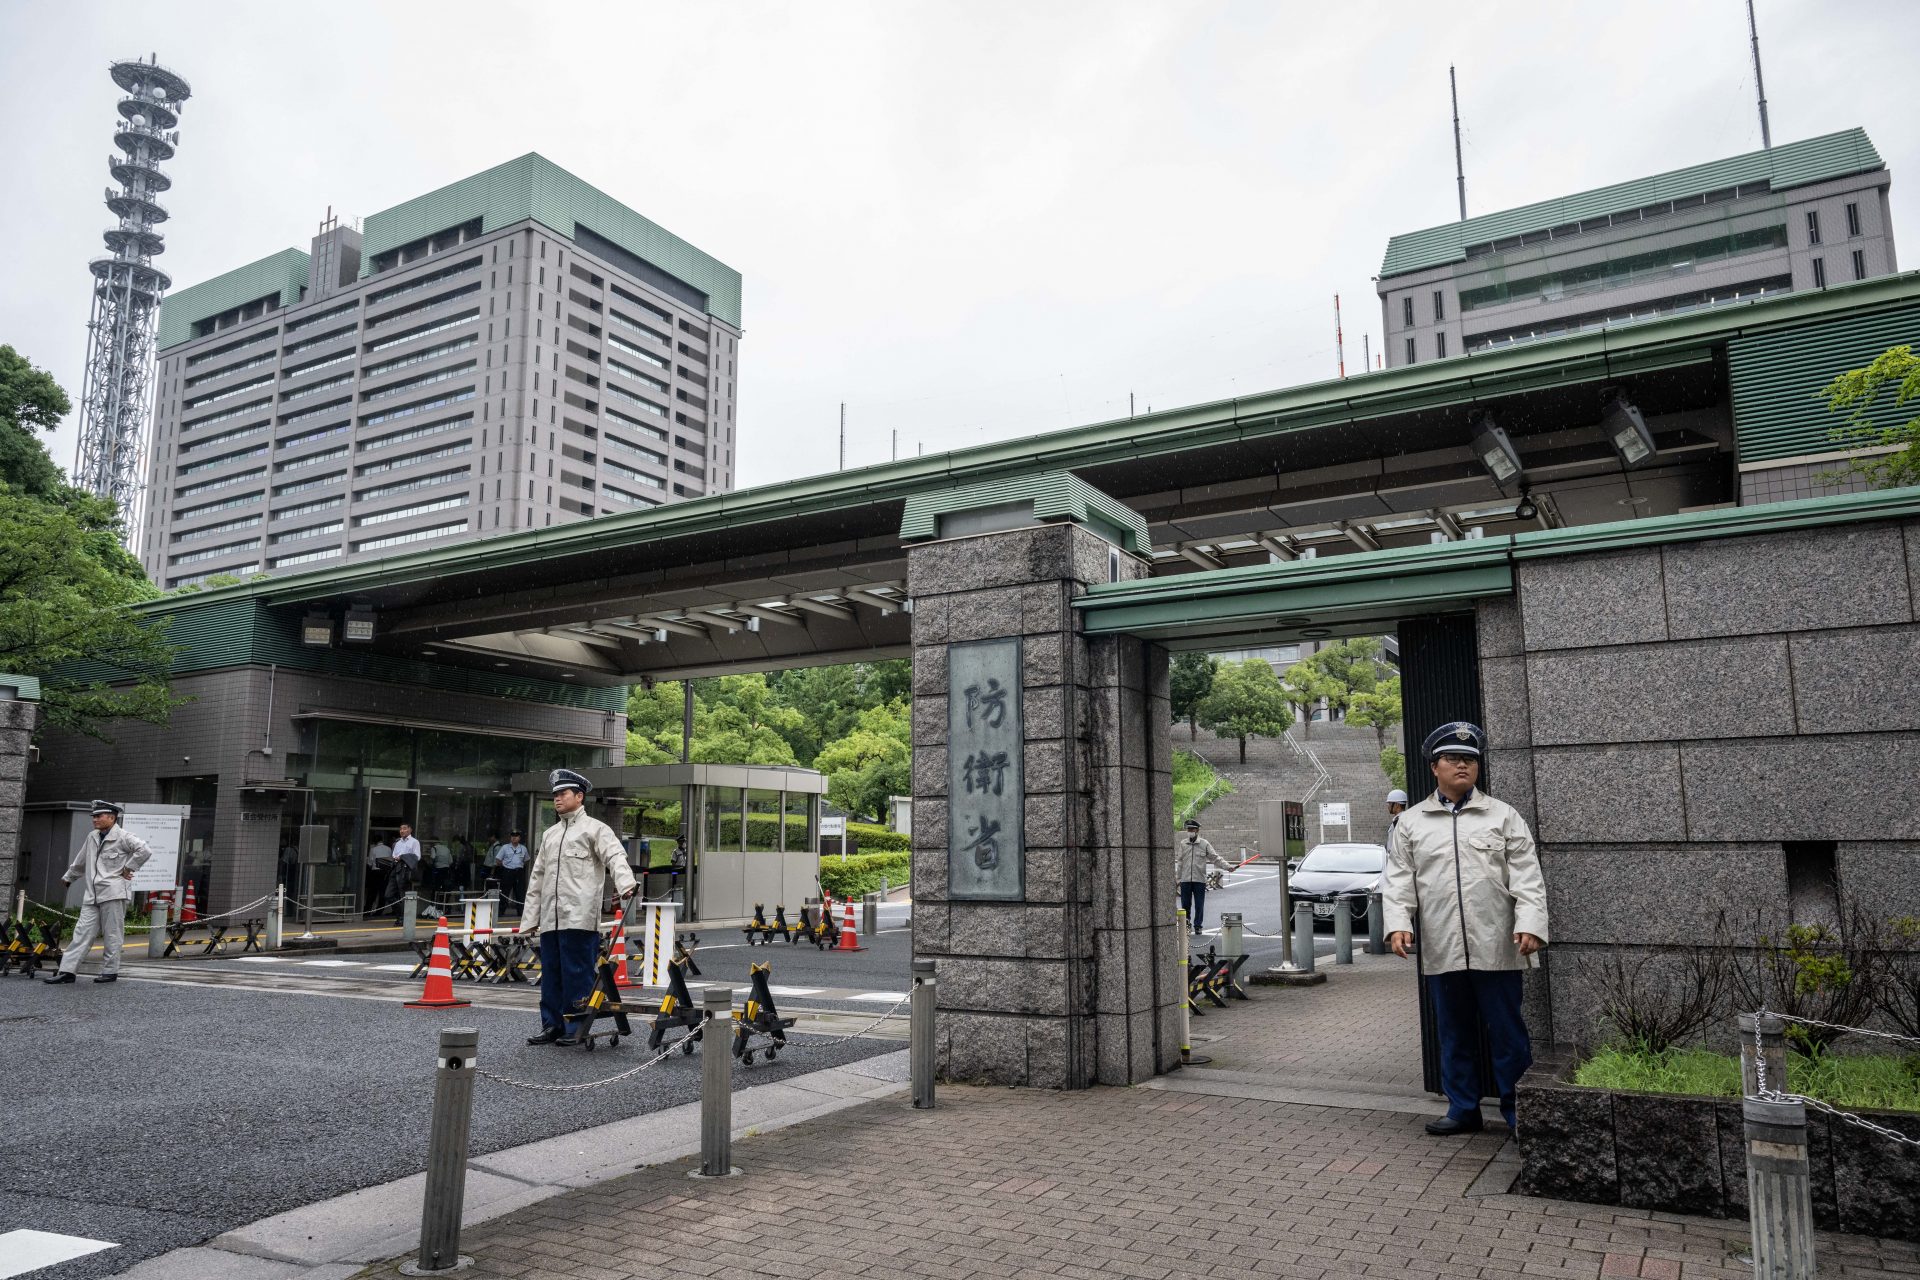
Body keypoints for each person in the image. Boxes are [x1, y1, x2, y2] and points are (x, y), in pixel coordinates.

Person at [1383, 721, 1548, 1136]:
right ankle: (1462, 1108)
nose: (1464, 766)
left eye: (1471, 760)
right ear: (1434, 767)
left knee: (1509, 1034)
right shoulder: (1412, 823)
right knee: (1453, 1033)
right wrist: (1397, 924)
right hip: (1442, 944)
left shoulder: (1503, 816)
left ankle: (1518, 1113)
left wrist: (1530, 923)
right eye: (1454, 759)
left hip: (1499, 944)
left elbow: (1527, 876)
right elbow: (1399, 878)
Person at [520, 770, 636, 1046]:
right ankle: (552, 1025)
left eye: (563, 794)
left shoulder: (595, 829)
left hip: (580, 915)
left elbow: (615, 856)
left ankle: (576, 1025)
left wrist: (626, 883)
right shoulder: (550, 835)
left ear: (579, 796)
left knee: (577, 971)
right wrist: (530, 918)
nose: (557, 799)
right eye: (555, 795)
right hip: (551, 916)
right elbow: (537, 878)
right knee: (551, 972)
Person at [45, 800, 152, 985]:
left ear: (112, 817)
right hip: (92, 894)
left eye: (98, 816)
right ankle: (67, 971)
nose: (94, 819)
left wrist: (129, 867)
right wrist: (69, 876)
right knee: (81, 933)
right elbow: (81, 860)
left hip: (113, 893)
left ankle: (110, 971)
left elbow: (144, 850)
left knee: (112, 934)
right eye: (93, 816)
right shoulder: (92, 836)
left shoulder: (124, 836)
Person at [1174, 819, 1233, 936]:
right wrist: (1177, 879)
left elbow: (1215, 858)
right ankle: (1186, 925)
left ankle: (1198, 926)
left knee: (1199, 905)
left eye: (1192, 829)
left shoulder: (1204, 844)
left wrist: (1228, 867)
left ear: (1197, 831)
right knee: (1185, 905)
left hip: (1199, 880)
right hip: (1185, 880)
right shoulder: (1183, 844)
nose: (1190, 831)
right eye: (1188, 829)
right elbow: (1180, 862)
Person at [386, 823, 422, 922]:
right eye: (401, 829)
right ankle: (400, 915)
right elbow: (394, 855)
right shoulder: (397, 843)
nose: (402, 831)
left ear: (410, 830)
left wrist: (403, 857)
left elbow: (417, 856)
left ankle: (403, 918)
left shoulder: (414, 842)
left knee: (403, 895)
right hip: (396, 868)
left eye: (405, 828)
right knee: (389, 895)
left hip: (406, 869)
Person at [494, 829, 530, 911]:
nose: (514, 838)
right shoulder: (505, 847)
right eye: (512, 836)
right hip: (507, 871)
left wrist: (520, 866)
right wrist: (505, 866)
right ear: (510, 837)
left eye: (516, 836)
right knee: (504, 892)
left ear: (519, 838)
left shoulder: (523, 848)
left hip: (519, 872)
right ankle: (501, 911)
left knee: (520, 892)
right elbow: (498, 860)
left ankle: (520, 911)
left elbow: (527, 860)